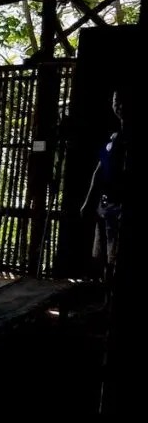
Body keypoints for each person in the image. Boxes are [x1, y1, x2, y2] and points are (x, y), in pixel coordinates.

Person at [82, 90, 125, 282]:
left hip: (119, 205)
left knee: (114, 254)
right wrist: (88, 202)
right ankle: (105, 298)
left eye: (123, 102)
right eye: (116, 101)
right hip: (105, 204)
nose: (119, 106)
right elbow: (98, 172)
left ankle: (110, 302)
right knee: (101, 254)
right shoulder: (113, 138)